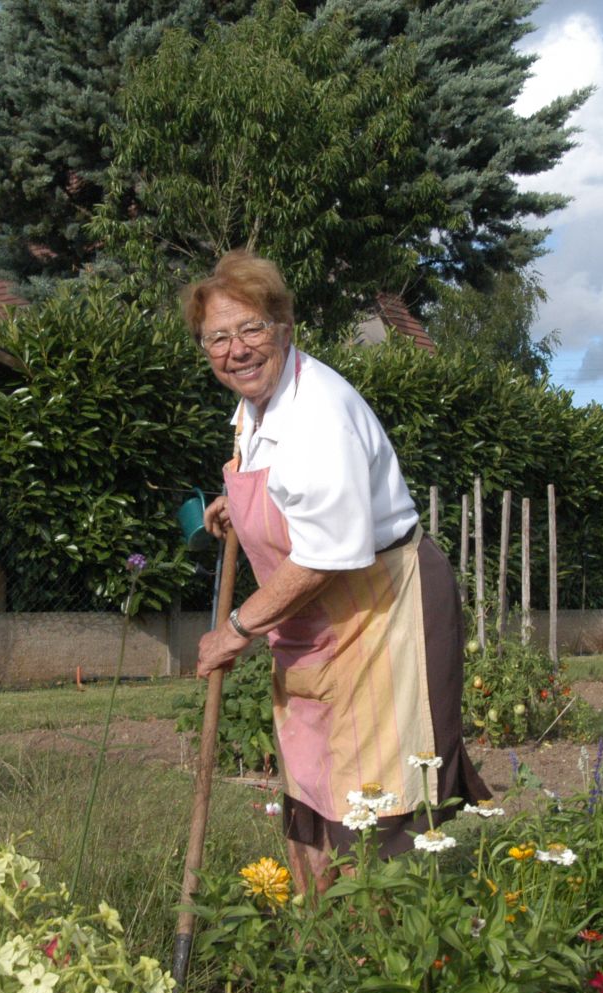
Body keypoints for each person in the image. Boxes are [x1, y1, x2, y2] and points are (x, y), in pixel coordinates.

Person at [190, 250, 490, 896]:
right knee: (312, 772)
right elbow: (289, 491)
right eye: (218, 336)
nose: (236, 349)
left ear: (284, 328)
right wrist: (237, 508)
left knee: (373, 784)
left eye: (251, 329)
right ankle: (319, 938)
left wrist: (238, 627)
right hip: (316, 619)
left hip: (384, 611)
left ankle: (382, 958)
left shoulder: (317, 413)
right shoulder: (257, 407)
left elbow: (328, 551)